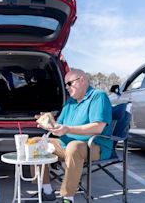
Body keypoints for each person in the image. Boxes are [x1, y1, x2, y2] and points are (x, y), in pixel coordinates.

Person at [33, 68, 112, 203]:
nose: (67, 88)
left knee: (73, 147)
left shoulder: (98, 96)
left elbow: (98, 127)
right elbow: (59, 125)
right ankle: (46, 191)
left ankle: (68, 198)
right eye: (65, 85)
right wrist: (49, 124)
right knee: (35, 143)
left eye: (69, 83)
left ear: (82, 80)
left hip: (94, 146)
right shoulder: (70, 102)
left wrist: (67, 129)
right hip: (65, 144)